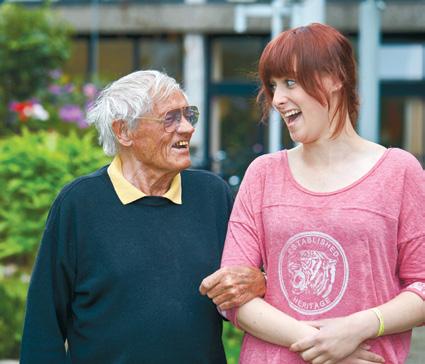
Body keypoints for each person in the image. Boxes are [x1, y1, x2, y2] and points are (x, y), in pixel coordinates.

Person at [200, 23, 425, 363]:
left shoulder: (399, 172)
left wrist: (360, 327)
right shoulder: (263, 174)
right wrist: (324, 345)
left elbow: (421, 285)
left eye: (290, 82)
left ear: (335, 78)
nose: (277, 99)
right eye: (273, 86)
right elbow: (236, 295)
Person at [20, 70, 266, 363]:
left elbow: (248, 285)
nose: (187, 128)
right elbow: (43, 325)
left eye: (189, 115)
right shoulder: (79, 203)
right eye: (170, 118)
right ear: (124, 131)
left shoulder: (212, 195)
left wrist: (260, 282)